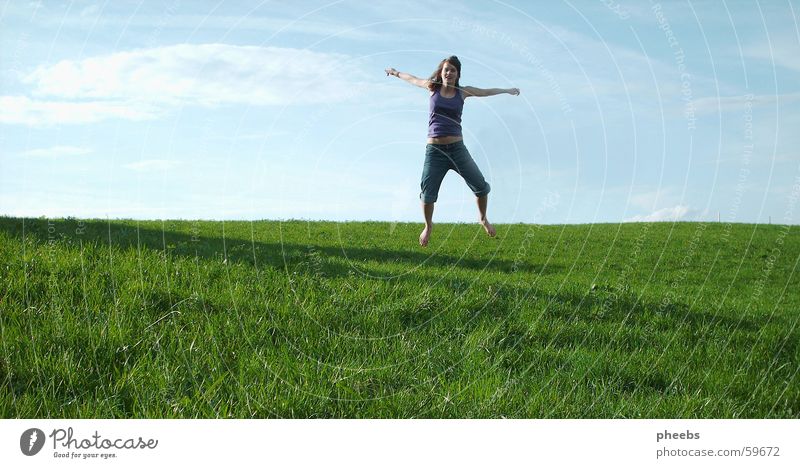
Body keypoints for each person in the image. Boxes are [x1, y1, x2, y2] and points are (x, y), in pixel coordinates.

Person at [385, 56, 520, 247]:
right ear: (441, 72)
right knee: (427, 193)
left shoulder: (463, 92)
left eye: (453, 70)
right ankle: (428, 226)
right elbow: (412, 78)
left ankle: (483, 219)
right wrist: (396, 72)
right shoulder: (432, 87)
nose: (449, 73)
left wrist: (507, 90)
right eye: (446, 70)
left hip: (457, 150)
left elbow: (485, 91)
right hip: (435, 151)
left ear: (458, 74)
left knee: (481, 187)